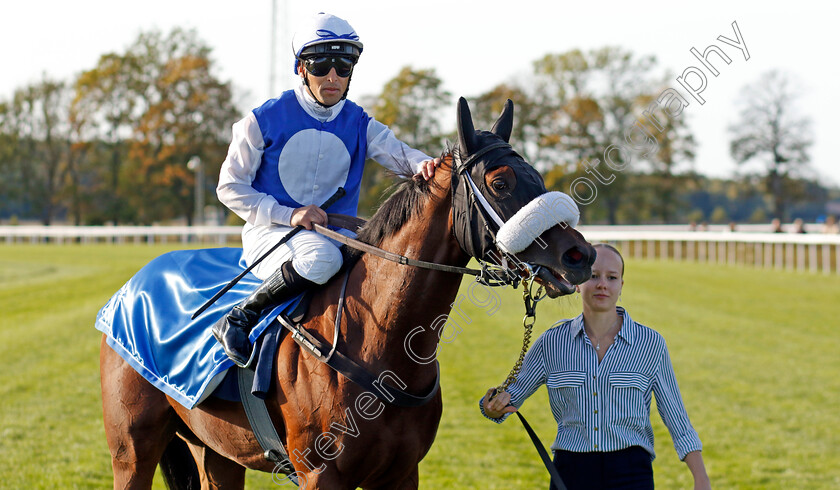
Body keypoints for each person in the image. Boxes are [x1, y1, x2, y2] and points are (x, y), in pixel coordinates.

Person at [213, 12, 440, 367]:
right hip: (272, 233)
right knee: (322, 258)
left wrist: (428, 165)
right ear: (301, 68)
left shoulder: (360, 122)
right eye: (321, 65)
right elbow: (229, 187)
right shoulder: (261, 120)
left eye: (343, 66)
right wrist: (288, 214)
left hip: (336, 234)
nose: (332, 76)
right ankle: (239, 317)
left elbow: (402, 156)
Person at [480, 244, 710, 490]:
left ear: (621, 286)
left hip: (632, 474)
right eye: (593, 276)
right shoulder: (552, 343)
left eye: (612, 278)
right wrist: (492, 407)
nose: (603, 284)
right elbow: (507, 398)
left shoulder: (650, 344)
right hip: (571, 472)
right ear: (577, 282)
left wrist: (701, 479)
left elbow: (677, 419)